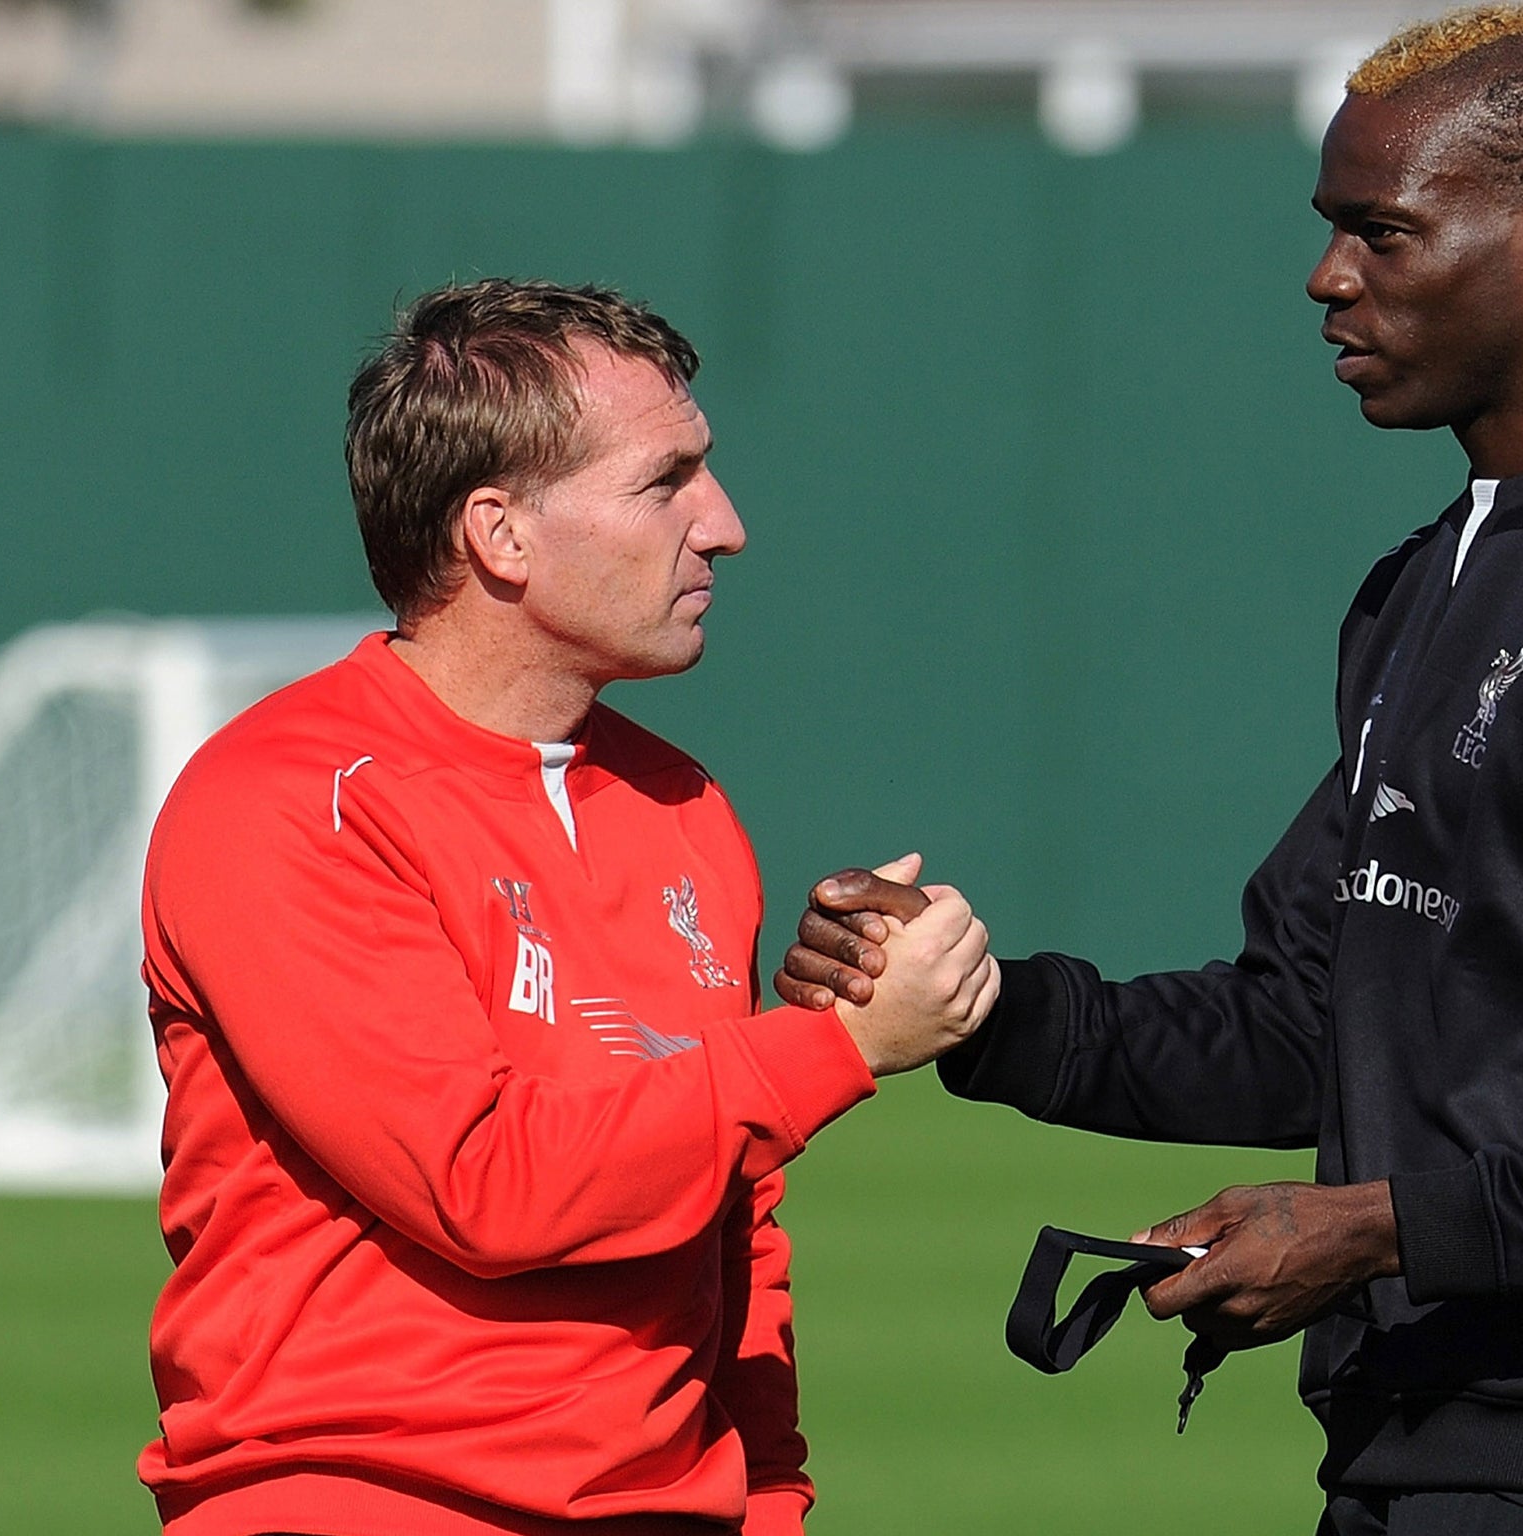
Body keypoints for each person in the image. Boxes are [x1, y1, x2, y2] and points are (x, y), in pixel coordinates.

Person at [776, 9, 1523, 1535]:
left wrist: (1379, 1228)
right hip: (1408, 1458)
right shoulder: (1419, 586)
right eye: (1328, 230)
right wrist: (985, 1008)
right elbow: (1309, 1022)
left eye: (1382, 232)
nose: (1328, 278)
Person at [137, 279, 997, 1536]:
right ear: (501, 533)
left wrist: (768, 1496)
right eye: (667, 482)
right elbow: (482, 1181)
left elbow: (730, 1218)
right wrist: (840, 1044)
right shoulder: (287, 801)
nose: (726, 526)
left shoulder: (683, 805)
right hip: (359, 1505)